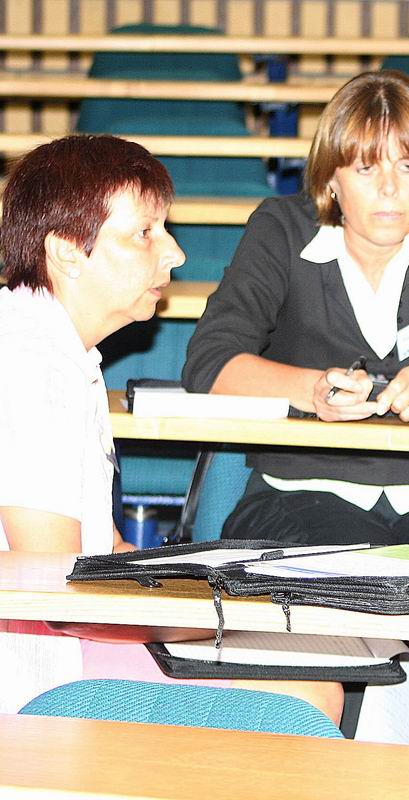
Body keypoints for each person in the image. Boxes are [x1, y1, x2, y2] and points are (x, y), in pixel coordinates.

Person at [0, 135, 340, 720]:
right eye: (144, 233)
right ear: (66, 252)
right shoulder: (32, 367)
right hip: (33, 672)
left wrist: (215, 590)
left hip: (55, 640)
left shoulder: (55, 349)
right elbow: (52, 586)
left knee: (304, 657)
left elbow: (104, 551)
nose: (175, 254)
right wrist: (223, 618)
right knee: (306, 695)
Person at [183, 70, 409, 547]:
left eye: (407, 166)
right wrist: (314, 391)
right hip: (300, 492)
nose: (389, 188)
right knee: (356, 571)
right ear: (331, 177)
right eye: (367, 169)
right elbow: (210, 362)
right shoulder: (280, 230)